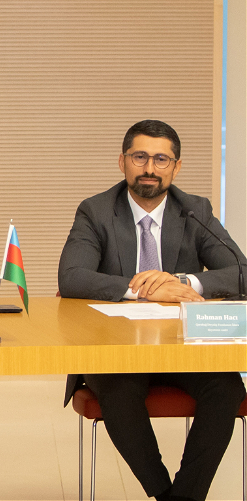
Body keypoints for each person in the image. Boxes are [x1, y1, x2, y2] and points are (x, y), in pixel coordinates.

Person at [58, 119, 246, 501]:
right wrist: (143, 288)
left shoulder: (195, 210)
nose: (150, 168)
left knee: (226, 387)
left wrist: (184, 282)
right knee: (120, 390)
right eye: (140, 156)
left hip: (183, 345)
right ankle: (165, 494)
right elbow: (72, 276)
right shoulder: (96, 210)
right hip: (116, 349)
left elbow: (241, 273)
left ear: (176, 167)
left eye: (162, 159)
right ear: (122, 162)